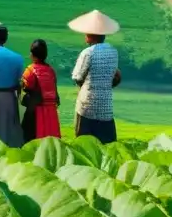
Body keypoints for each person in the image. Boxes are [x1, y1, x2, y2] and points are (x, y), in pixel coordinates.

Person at [69, 10, 122, 144]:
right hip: (106, 105)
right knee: (106, 144)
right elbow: (114, 75)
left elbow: (77, 76)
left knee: (84, 143)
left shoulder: (87, 53)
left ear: (92, 35)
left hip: (87, 105)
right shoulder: (113, 52)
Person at [21, 39, 61, 142]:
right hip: (51, 110)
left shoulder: (30, 70)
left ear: (32, 55)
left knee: (30, 139)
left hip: (36, 111)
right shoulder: (51, 70)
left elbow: (26, 86)